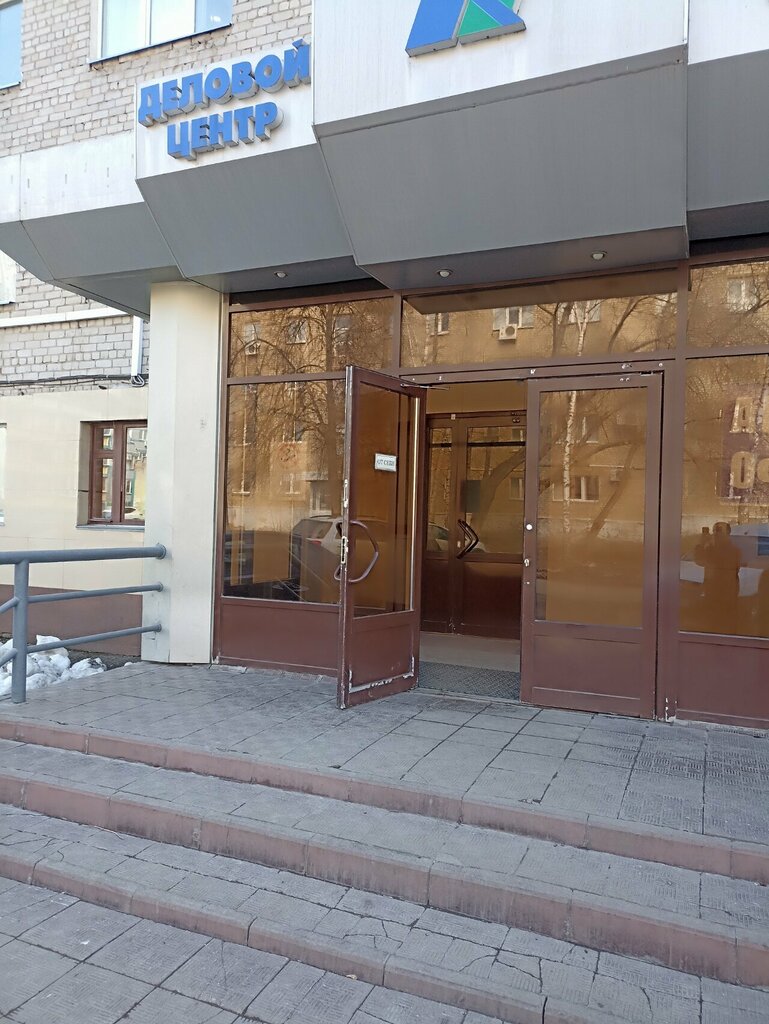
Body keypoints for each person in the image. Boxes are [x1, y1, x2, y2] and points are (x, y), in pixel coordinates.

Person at [694, 522, 742, 633]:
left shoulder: (733, 550)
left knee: (726, 622)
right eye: (714, 530)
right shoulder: (710, 548)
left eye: (719, 530)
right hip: (712, 592)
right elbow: (699, 560)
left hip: (727, 593)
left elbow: (724, 566)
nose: (715, 533)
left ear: (727, 533)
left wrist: (705, 546)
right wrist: (702, 544)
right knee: (711, 622)